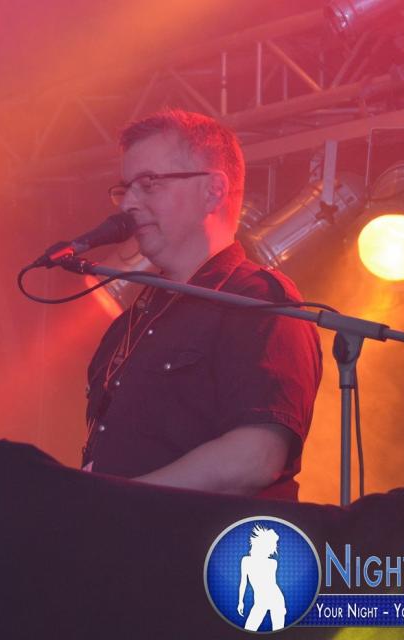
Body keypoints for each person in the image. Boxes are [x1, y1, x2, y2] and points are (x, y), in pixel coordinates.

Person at [81, 108, 321, 499]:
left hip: (205, 538)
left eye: (149, 184)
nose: (128, 204)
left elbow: (256, 457)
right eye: (125, 188)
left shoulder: (259, 302)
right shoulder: (128, 324)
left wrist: (118, 501)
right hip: (123, 535)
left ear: (213, 191)